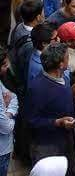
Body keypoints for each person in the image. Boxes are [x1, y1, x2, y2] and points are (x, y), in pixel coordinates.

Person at [0, 46, 18, 176]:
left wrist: (7, 110)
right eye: (5, 64)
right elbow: (6, 127)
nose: (8, 66)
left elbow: (13, 97)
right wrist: (9, 113)